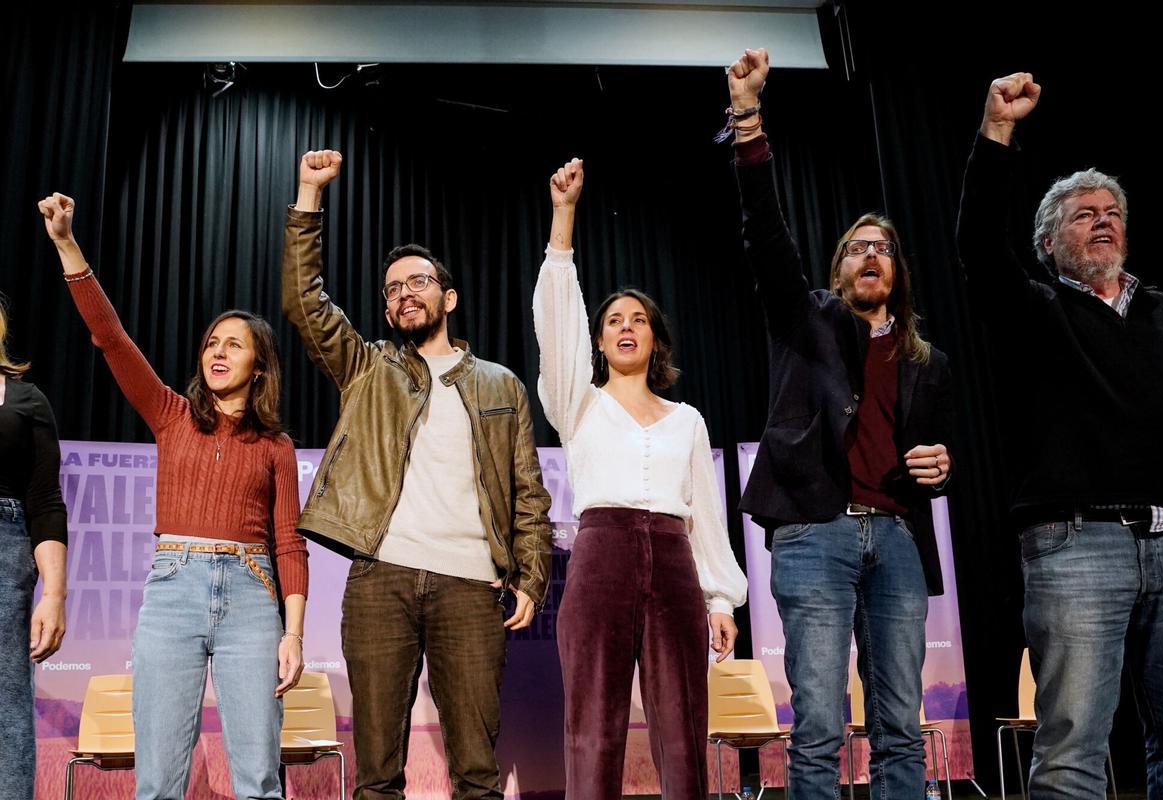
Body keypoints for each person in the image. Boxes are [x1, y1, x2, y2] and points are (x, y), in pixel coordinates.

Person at [957, 73, 1163, 799]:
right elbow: (979, 246)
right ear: (1047, 242)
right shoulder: (1034, 309)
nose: (1102, 221)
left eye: (1112, 212)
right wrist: (997, 133)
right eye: (1083, 214)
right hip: (1077, 542)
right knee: (1070, 751)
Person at [282, 150, 552, 800]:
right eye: (394, 289)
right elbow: (303, 302)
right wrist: (309, 196)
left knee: (477, 777)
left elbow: (528, 493)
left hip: (471, 587)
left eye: (419, 282)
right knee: (376, 776)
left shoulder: (500, 385)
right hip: (382, 581)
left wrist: (532, 575)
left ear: (447, 297)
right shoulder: (368, 368)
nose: (406, 293)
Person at [725, 48, 955, 797]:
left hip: (899, 538)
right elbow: (766, 233)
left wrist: (944, 465)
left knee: (900, 726)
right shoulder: (810, 321)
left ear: (898, 272)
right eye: (857, 248)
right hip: (815, 533)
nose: (870, 256)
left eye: (883, 248)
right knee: (821, 723)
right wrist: (748, 118)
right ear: (838, 270)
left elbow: (936, 454)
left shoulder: (928, 361)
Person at [39, 191, 308, 800]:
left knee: (259, 781)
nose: (218, 351)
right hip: (172, 593)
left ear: (259, 366)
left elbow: (291, 544)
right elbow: (111, 338)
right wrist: (66, 244)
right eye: (212, 342)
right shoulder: (171, 414)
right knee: (158, 782)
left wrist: (292, 635)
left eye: (233, 344)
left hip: (252, 597)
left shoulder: (276, 447)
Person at [533, 157, 747, 798]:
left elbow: (705, 516)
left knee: (683, 731)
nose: (626, 327)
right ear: (598, 343)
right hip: (602, 558)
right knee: (593, 728)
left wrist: (719, 599)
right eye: (613, 322)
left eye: (639, 320)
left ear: (656, 340)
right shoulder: (578, 404)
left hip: (676, 566)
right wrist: (563, 219)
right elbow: (558, 329)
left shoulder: (688, 420)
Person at [0, 301, 68, 800]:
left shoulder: (27, 400)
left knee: (6, 703)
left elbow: (44, 502)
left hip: (6, 552)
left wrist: (54, 595)